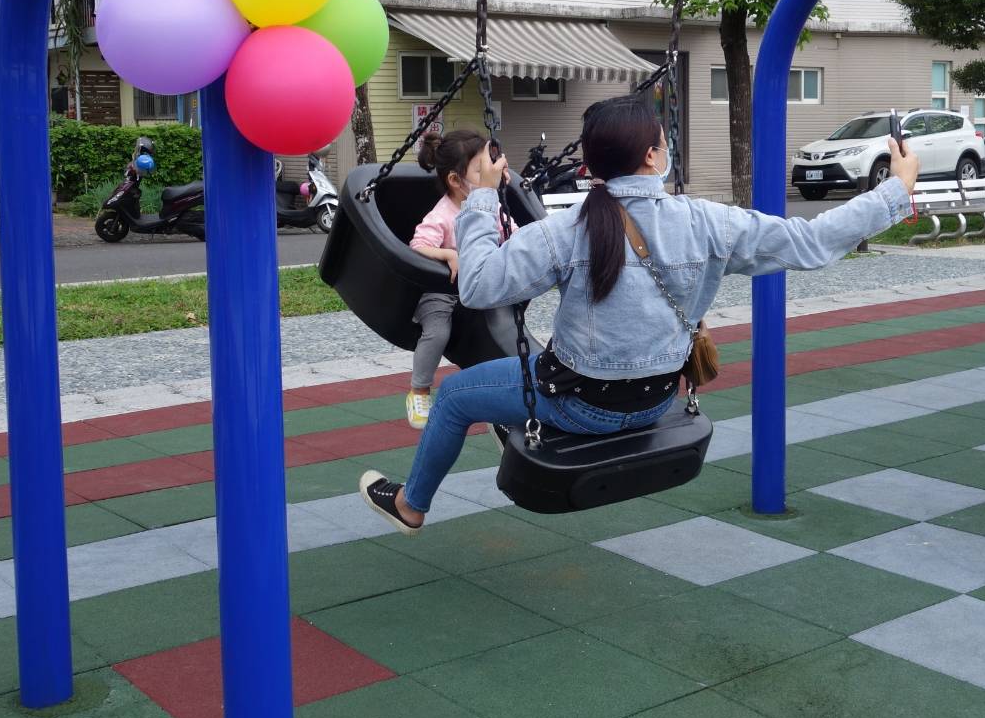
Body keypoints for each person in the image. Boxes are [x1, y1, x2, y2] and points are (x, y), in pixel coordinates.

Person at [360, 95, 921, 533]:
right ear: (653, 157)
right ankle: (510, 431)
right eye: (663, 141)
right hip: (658, 400)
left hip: (580, 407)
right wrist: (895, 190)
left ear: (588, 162)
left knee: (457, 396)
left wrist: (482, 198)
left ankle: (411, 505)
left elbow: (479, 286)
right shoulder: (708, 222)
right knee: (513, 377)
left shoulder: (567, 230)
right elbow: (812, 241)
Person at [405, 129, 519, 429]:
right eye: (482, 170)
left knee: (502, 333)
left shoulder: (493, 205)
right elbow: (417, 246)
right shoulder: (442, 215)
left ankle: (504, 390)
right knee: (438, 333)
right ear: (456, 181)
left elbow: (514, 234)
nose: (492, 174)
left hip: (482, 289)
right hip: (443, 292)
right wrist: (448, 255)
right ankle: (419, 389)